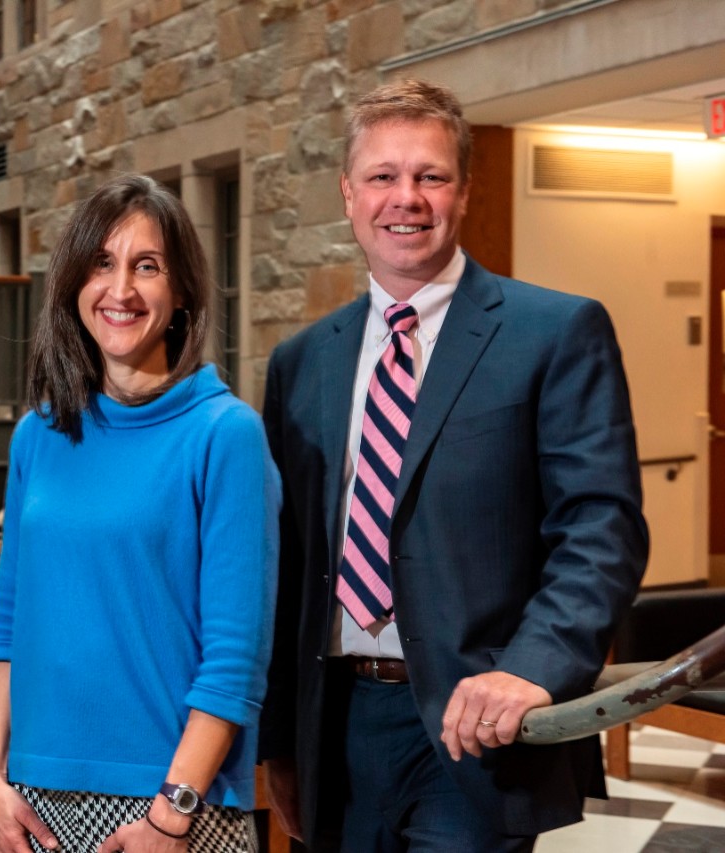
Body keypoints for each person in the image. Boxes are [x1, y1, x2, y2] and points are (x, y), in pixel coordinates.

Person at [259, 78, 649, 852]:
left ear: (464, 191)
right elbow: (287, 564)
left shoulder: (555, 332)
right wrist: (278, 739)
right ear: (348, 193)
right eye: (383, 176)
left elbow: (600, 529)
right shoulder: (301, 362)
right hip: (333, 726)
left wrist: (533, 668)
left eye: (430, 176)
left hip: (477, 728)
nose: (406, 197)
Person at [0, 174, 281, 853]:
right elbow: (10, 618)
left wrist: (171, 815)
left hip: (170, 804)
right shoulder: (38, 434)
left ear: (180, 294)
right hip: (32, 800)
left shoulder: (224, 434)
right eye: (102, 264)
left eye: (148, 266)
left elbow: (235, 659)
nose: (121, 290)